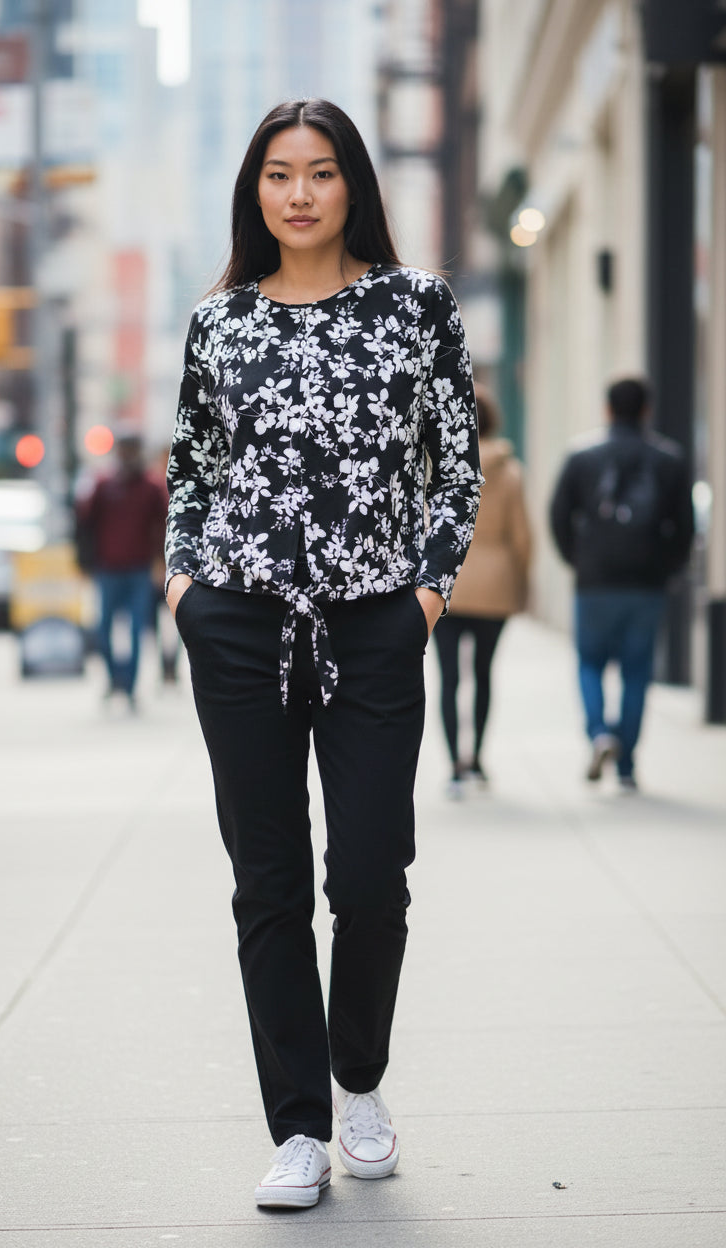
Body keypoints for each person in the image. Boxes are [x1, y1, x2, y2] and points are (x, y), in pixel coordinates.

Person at [165, 98, 482, 1210]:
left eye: (320, 172)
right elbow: (194, 468)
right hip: (241, 624)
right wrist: (186, 586)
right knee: (267, 884)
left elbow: (457, 463)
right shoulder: (222, 324)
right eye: (277, 175)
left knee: (369, 875)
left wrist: (427, 594)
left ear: (354, 186)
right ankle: (296, 1127)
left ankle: (358, 1084)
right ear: (255, 192)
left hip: (375, 627)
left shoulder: (415, 308)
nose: (298, 193)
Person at [549, 377, 694, 790]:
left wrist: (576, 558)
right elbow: (684, 526)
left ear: (607, 409)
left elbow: (559, 515)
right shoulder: (669, 459)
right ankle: (627, 763)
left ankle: (599, 734)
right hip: (645, 583)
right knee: (637, 670)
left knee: (590, 663)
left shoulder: (582, 457)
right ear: (646, 410)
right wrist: (668, 567)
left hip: (595, 580)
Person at [433, 386, 531, 796]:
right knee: (484, 674)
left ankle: (455, 763)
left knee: (449, 677)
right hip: (495, 584)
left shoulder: (436, 466)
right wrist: (523, 583)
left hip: (447, 582)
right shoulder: (510, 472)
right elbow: (523, 537)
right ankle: (479, 759)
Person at [78, 430, 168, 707]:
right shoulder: (103, 484)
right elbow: (85, 522)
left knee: (136, 631)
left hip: (139, 570)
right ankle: (113, 678)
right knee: (103, 629)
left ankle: (128, 687)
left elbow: (166, 524)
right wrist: (85, 561)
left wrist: (160, 562)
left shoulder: (152, 487)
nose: (128, 455)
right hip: (108, 569)